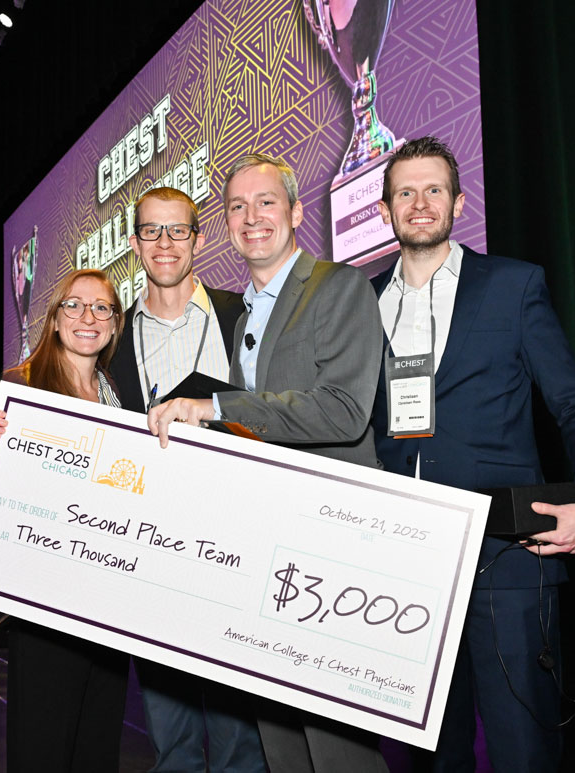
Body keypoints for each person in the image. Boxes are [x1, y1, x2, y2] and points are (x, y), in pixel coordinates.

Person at [369, 136, 575, 771]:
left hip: (506, 552)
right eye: (405, 192)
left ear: (459, 202)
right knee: (428, 752)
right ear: (384, 209)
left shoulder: (512, 284)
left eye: (434, 190)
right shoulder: (361, 300)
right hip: (401, 560)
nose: (419, 204)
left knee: (521, 746)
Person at [149, 154, 388, 773]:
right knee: (280, 739)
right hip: (267, 542)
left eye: (266, 202)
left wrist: (214, 407)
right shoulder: (245, 316)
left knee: (337, 742)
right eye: (237, 206)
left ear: (297, 212)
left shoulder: (338, 286)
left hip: (330, 543)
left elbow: (344, 412)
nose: (251, 217)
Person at [110, 186, 267, 771]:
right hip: (150, 542)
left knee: (239, 734)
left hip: (236, 534)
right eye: (151, 231)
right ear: (134, 244)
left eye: (178, 230)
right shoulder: (112, 335)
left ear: (199, 239)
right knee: (170, 734)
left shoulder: (243, 314)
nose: (165, 243)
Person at [0, 269, 129, 773]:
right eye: (74, 305)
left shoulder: (115, 391)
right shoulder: (24, 382)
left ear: (114, 324)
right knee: (43, 741)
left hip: (107, 593)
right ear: (56, 320)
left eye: (102, 308)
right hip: (47, 595)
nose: (88, 317)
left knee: (96, 740)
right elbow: (8, 486)